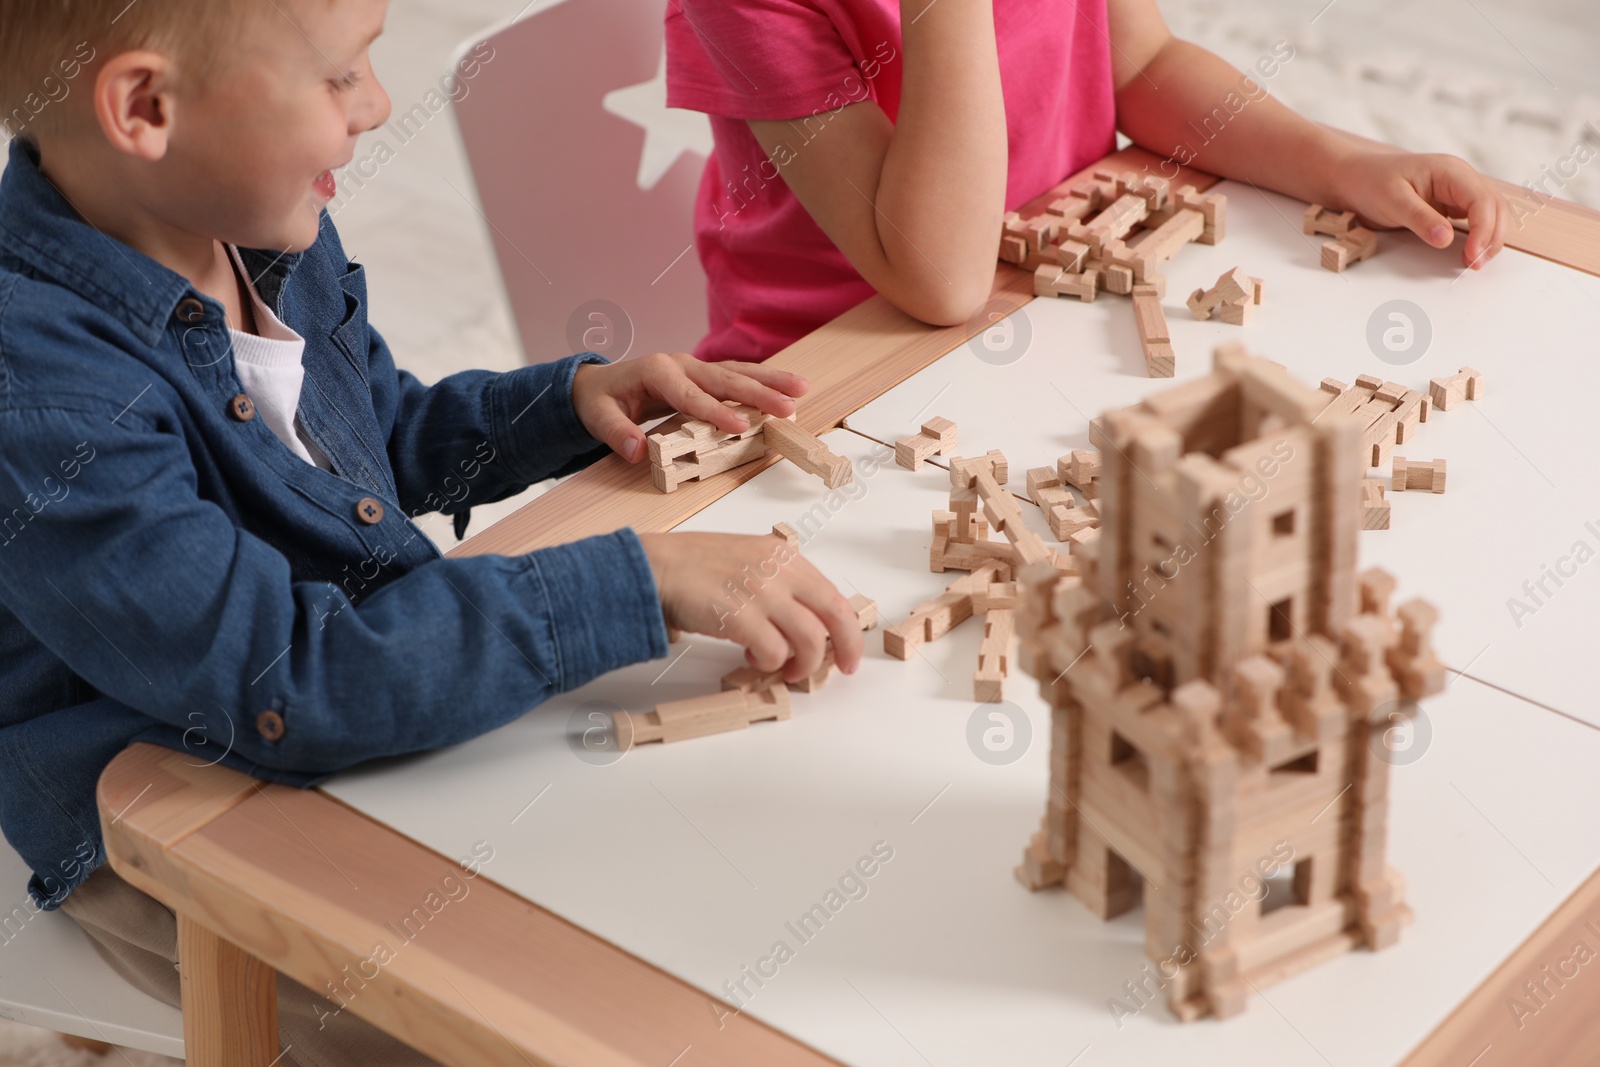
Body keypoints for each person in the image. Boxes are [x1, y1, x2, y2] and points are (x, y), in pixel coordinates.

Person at [0, 2, 863, 1063]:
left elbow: (368, 435)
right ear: (145, 107)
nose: (378, 106)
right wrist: (630, 579)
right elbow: (286, 681)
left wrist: (564, 403)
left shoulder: (258, 217)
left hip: (348, 698)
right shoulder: (43, 400)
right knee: (513, 1026)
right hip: (173, 822)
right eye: (338, 79)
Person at [665, 0, 1510, 362]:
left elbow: (1142, 66)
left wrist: (1342, 163)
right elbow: (939, 275)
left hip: (1044, 299)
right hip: (838, 359)